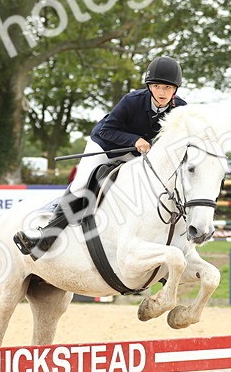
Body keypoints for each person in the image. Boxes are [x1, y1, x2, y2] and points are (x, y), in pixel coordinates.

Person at [13, 55, 187, 257]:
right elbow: (106, 130)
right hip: (105, 147)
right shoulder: (132, 101)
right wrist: (134, 140)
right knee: (81, 185)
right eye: (157, 86)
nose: (161, 92)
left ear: (175, 89)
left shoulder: (181, 109)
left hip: (137, 156)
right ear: (149, 86)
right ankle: (45, 238)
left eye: (167, 88)